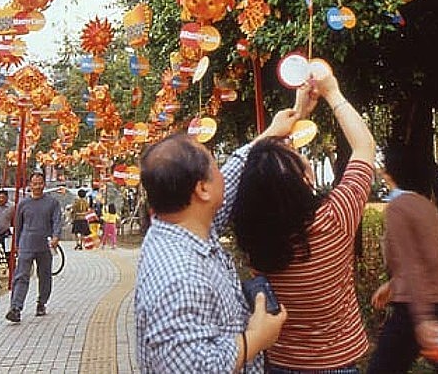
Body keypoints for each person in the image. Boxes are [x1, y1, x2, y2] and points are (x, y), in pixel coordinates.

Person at [231, 72, 376, 372]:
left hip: (279, 363)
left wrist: (297, 115)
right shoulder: (335, 219)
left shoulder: (256, 237)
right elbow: (364, 148)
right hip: (337, 364)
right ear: (306, 179)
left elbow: (261, 177)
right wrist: (333, 93)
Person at [135, 110, 298, 373]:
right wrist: (256, 338)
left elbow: (234, 171)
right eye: (214, 165)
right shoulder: (181, 277)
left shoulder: (183, 227)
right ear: (202, 189)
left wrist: (271, 133)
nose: (222, 172)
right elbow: (191, 369)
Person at [367, 144, 438, 373]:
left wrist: (422, 319)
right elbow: (432, 261)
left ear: (389, 173)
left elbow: (411, 264)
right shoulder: (426, 205)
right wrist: (392, 285)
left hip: (414, 309)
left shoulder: (397, 208)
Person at [5, 172, 62, 322]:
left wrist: (56, 236)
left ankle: (41, 302)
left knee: (44, 276)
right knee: (21, 276)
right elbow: (18, 225)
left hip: (45, 245)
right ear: (30, 185)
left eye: (40, 183)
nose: (37, 186)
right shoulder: (23, 204)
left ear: (44, 184)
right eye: (34, 183)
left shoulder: (52, 203)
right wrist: (17, 245)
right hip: (26, 245)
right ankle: (16, 308)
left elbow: (57, 221)